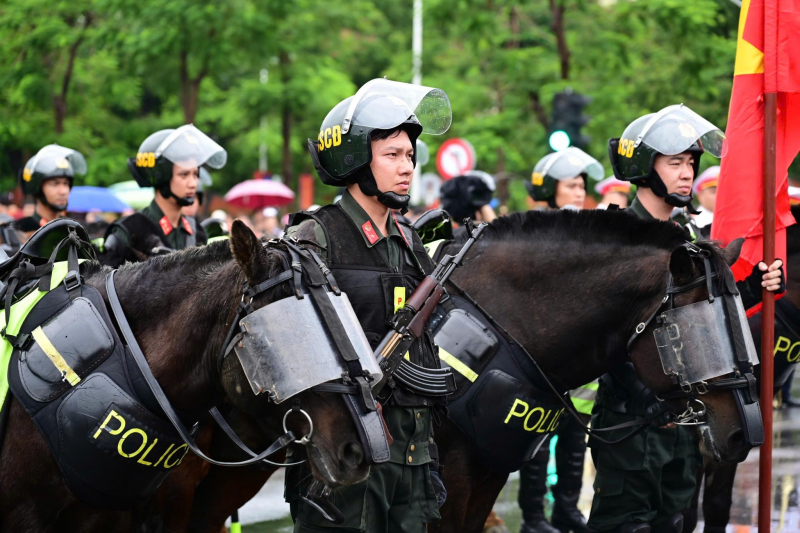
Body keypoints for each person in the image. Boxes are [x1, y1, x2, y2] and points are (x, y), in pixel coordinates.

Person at [588, 105, 783, 533]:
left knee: (677, 524)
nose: (687, 173)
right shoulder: (614, 240)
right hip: (631, 424)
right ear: (644, 166)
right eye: (675, 162)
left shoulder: (690, 239)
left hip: (683, 428)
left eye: (691, 163)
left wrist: (757, 286)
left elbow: (708, 313)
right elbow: (600, 336)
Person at [284, 79, 453, 533]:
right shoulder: (315, 238)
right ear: (357, 158)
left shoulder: (411, 243)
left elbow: (424, 353)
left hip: (411, 459)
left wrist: (429, 457)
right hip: (348, 458)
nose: (407, 168)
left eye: (410, 156)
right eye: (392, 155)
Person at [516, 146, 603, 533]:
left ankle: (566, 509)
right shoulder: (533, 235)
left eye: (582, 185)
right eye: (571, 185)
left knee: (574, 442)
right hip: (543, 359)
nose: (579, 191)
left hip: (583, 362)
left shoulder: (591, 233)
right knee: (535, 445)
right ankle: (534, 518)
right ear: (550, 189)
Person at [105, 125, 224, 253]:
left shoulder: (197, 232)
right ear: (161, 177)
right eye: (184, 175)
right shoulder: (129, 231)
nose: (193, 184)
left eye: (195, 174)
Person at [14, 144, 86, 236]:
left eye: (66, 183)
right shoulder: (18, 232)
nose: (63, 191)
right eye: (55, 184)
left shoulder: (74, 230)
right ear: (36, 187)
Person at [525, 147, 605, 211]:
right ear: (548, 190)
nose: (579, 194)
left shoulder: (586, 228)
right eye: (571, 186)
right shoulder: (535, 229)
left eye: (582, 187)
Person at [690, 166, 718, 235]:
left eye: (724, 191)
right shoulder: (691, 227)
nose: (720, 196)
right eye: (714, 192)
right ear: (700, 196)